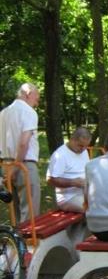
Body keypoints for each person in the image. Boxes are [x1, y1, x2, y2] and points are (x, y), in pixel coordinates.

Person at [0, 82, 41, 222]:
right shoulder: (28, 112)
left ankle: (17, 242)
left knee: (15, 213)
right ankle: (27, 243)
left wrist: (8, 170)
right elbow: (24, 143)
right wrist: (17, 167)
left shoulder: (3, 113)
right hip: (24, 165)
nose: (38, 101)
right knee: (30, 217)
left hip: (6, 164)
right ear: (28, 93)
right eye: (37, 96)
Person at [46, 127, 91, 213]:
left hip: (85, 192)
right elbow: (50, 180)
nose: (83, 149)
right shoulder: (60, 155)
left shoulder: (83, 151)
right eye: (81, 145)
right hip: (68, 198)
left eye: (86, 146)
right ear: (72, 139)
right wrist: (73, 182)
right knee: (94, 208)